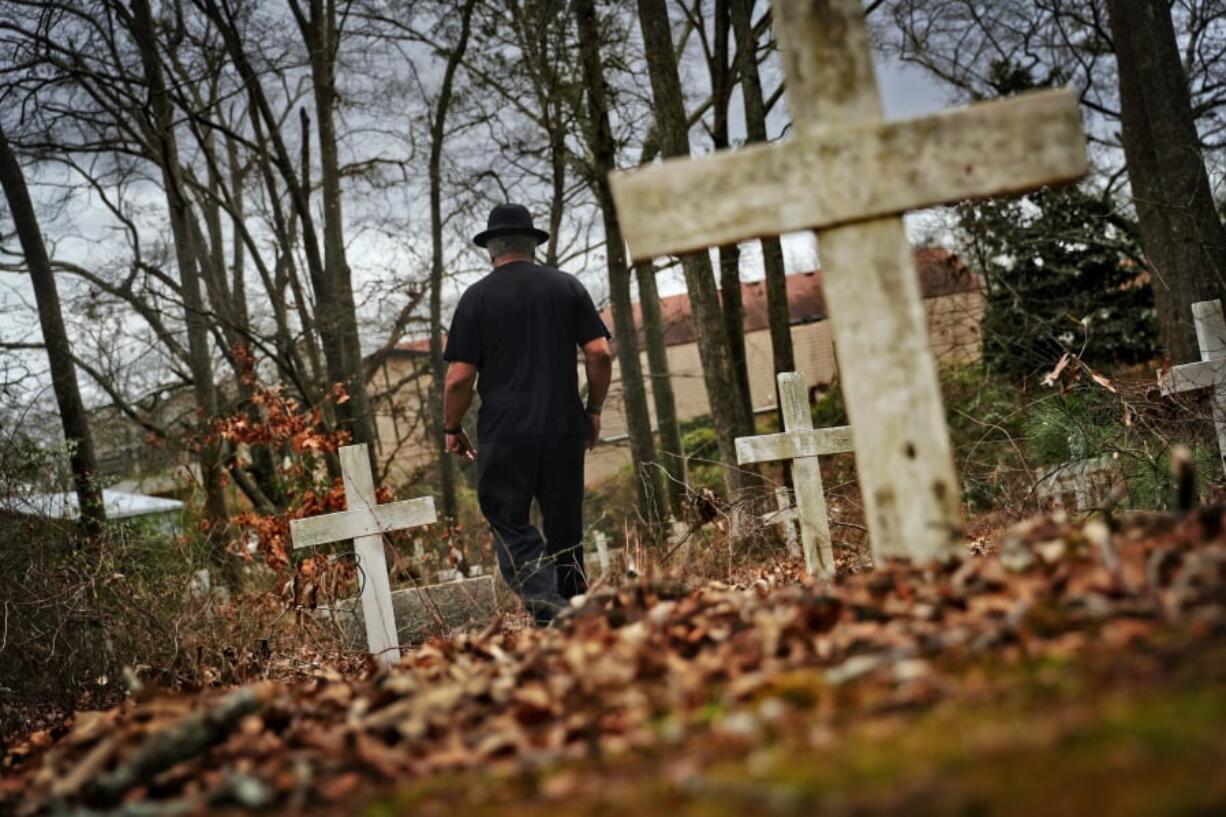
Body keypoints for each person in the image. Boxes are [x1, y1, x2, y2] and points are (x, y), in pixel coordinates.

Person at [441, 203, 612, 626]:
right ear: (532, 244)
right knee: (564, 525)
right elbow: (599, 353)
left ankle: (549, 608)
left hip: (505, 432)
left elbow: (458, 380)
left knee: (508, 520)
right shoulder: (566, 287)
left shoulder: (476, 298)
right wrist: (592, 409)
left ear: (491, 249)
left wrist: (451, 426)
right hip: (563, 426)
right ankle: (574, 613)